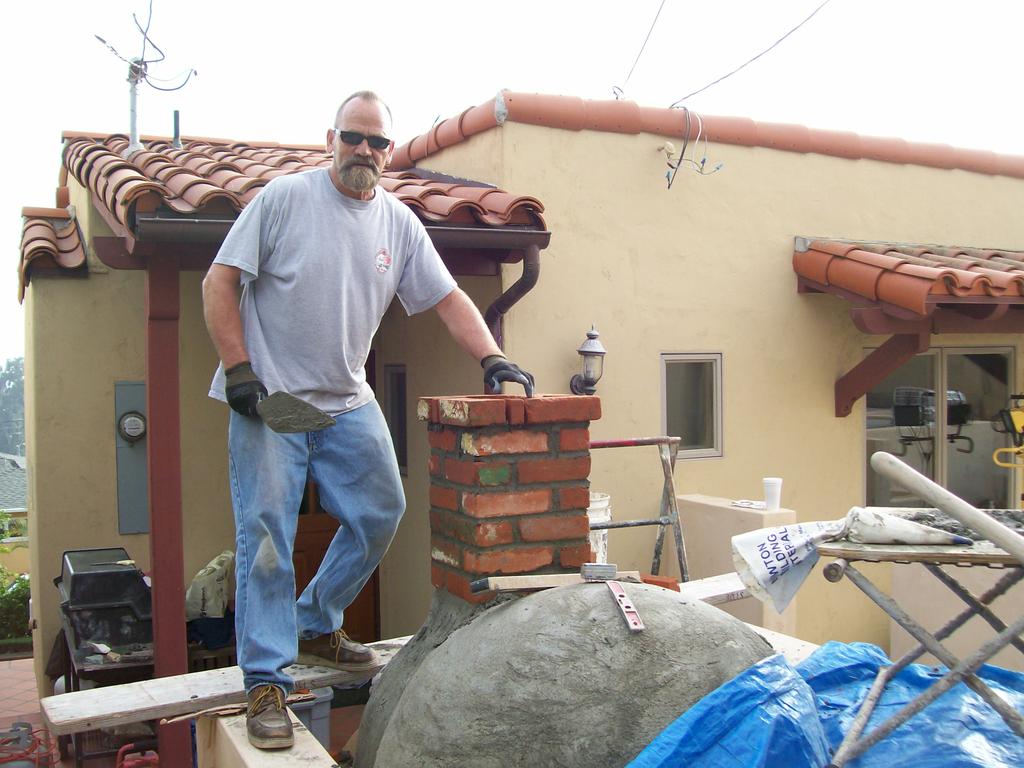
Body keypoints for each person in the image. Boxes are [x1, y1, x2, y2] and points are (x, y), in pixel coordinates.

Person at [202, 90, 534, 750]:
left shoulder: (398, 224)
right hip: (275, 400)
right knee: (267, 538)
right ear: (331, 139)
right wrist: (239, 368)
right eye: (352, 137)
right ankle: (266, 682)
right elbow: (219, 282)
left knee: (382, 510)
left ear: (388, 151)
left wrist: (493, 357)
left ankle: (316, 620)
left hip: (345, 400)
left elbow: (449, 298)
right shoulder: (284, 200)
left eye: (377, 142)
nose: (364, 150)